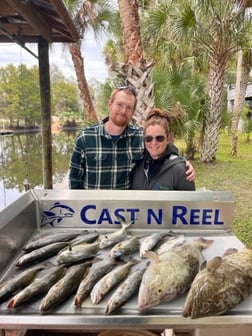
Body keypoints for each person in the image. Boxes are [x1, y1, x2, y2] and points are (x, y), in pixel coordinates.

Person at [69, 86, 195, 189]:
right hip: (94, 213)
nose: (123, 111)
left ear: (133, 112)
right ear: (110, 104)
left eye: (129, 107)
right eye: (119, 104)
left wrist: (182, 163)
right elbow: (74, 180)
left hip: (126, 214)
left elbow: (162, 148)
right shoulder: (85, 137)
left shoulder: (140, 137)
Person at [131, 108, 195, 191]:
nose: (153, 143)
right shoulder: (138, 164)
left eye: (159, 138)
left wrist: (182, 163)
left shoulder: (180, 170)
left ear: (168, 139)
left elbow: (189, 203)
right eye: (149, 138)